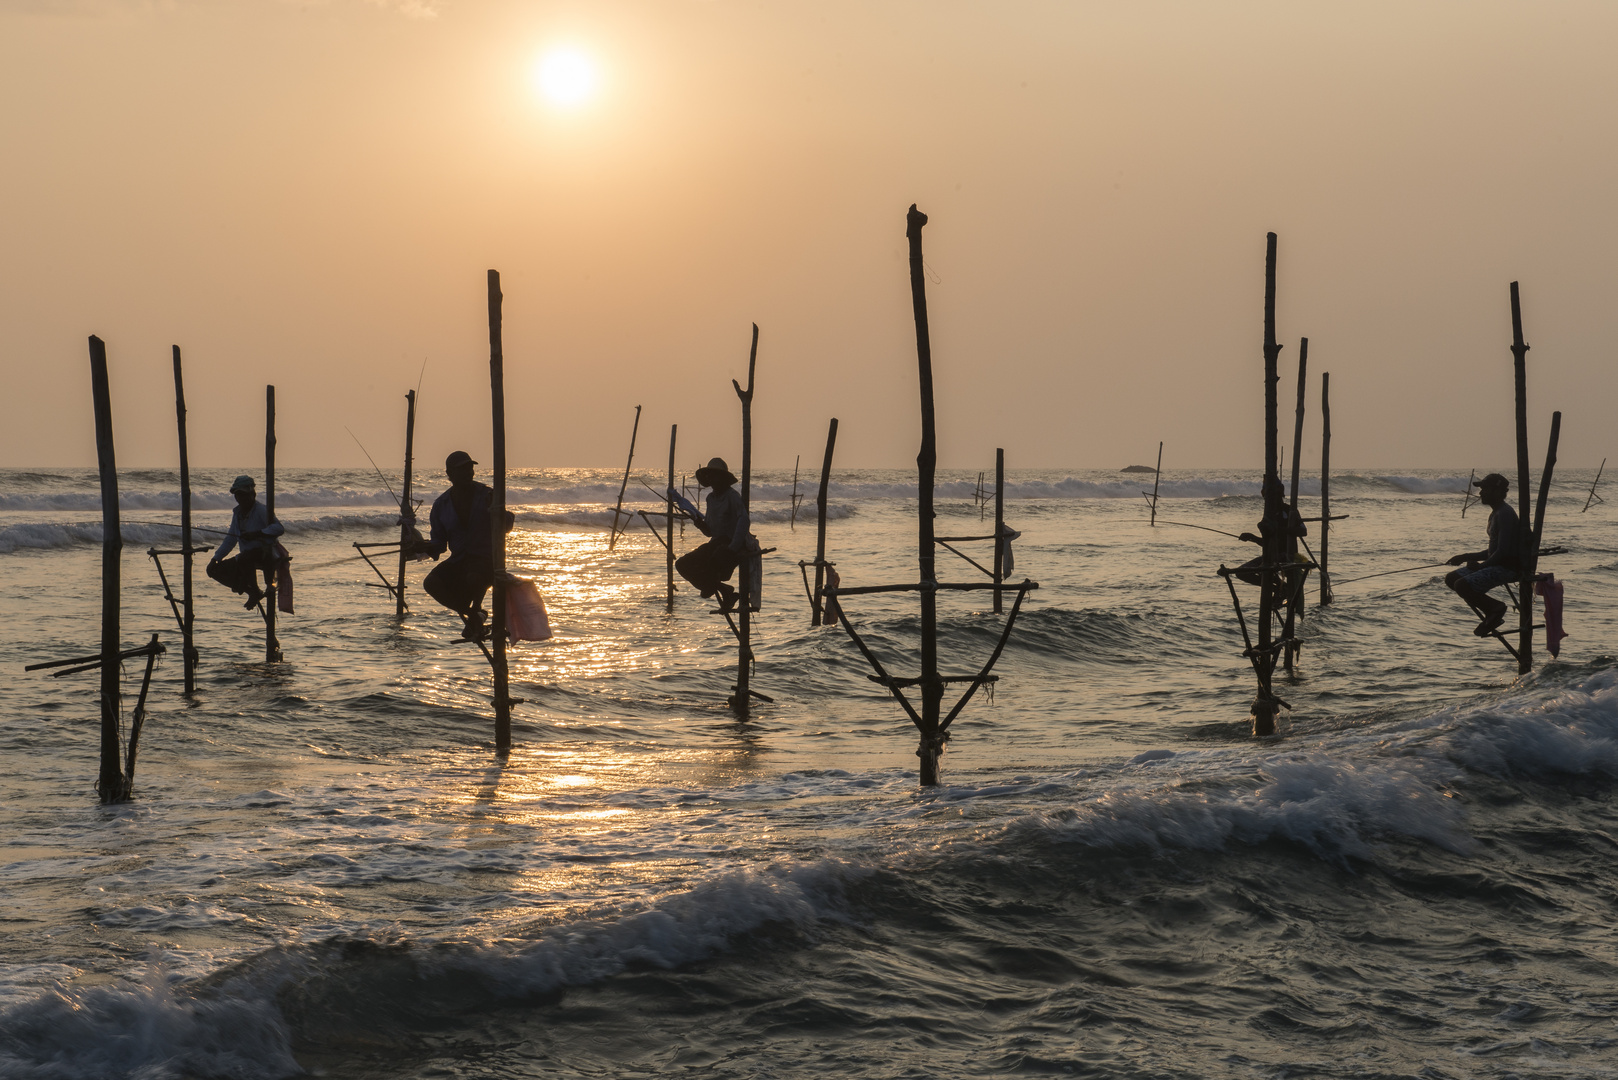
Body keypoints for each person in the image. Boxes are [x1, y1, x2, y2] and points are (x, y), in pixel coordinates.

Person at [410, 450, 515, 640]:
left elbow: (507, 526)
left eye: (470, 468)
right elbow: (439, 544)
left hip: (486, 560)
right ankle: (475, 615)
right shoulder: (441, 505)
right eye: (462, 469)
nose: (468, 473)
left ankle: (475, 614)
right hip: (459, 560)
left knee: (474, 576)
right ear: (449, 474)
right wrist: (423, 546)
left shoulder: (487, 495)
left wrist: (496, 511)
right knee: (431, 583)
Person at [1446, 472, 1521, 637]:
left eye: (1485, 489)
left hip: (1507, 567)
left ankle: (1496, 609)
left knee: (1461, 585)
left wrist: (1480, 567)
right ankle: (1490, 611)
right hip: (1498, 563)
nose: (1480, 493)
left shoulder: (1505, 514)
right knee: (1451, 578)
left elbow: (1503, 552)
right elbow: (1492, 551)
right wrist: (1465, 557)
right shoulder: (1495, 513)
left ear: (1497, 492)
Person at [672, 457, 752, 611]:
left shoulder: (732, 496)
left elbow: (744, 521)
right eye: (709, 476)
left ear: (722, 478)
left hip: (731, 544)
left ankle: (721, 589)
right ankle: (724, 590)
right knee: (682, 564)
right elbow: (710, 532)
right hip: (716, 543)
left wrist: (733, 547)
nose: (711, 479)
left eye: (714, 475)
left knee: (712, 566)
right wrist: (699, 523)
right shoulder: (710, 499)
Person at [207, 474, 285, 609]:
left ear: (251, 494)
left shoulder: (260, 510)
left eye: (243, 495)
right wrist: (216, 558)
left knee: (245, 558)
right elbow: (231, 539)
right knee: (213, 570)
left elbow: (278, 528)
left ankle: (253, 590)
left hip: (266, 555)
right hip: (245, 557)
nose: (240, 498)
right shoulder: (237, 514)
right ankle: (251, 591)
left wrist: (257, 534)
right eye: (237, 495)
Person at [1234, 475, 1307, 588]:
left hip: (1286, 554)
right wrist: (1252, 537)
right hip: (1270, 555)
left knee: (1265, 568)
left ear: (1279, 495)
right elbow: (1266, 543)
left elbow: (1303, 531)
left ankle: (1281, 588)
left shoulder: (1289, 511)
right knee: (1241, 572)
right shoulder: (1268, 515)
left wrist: (1281, 530)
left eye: (1273, 497)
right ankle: (1279, 587)